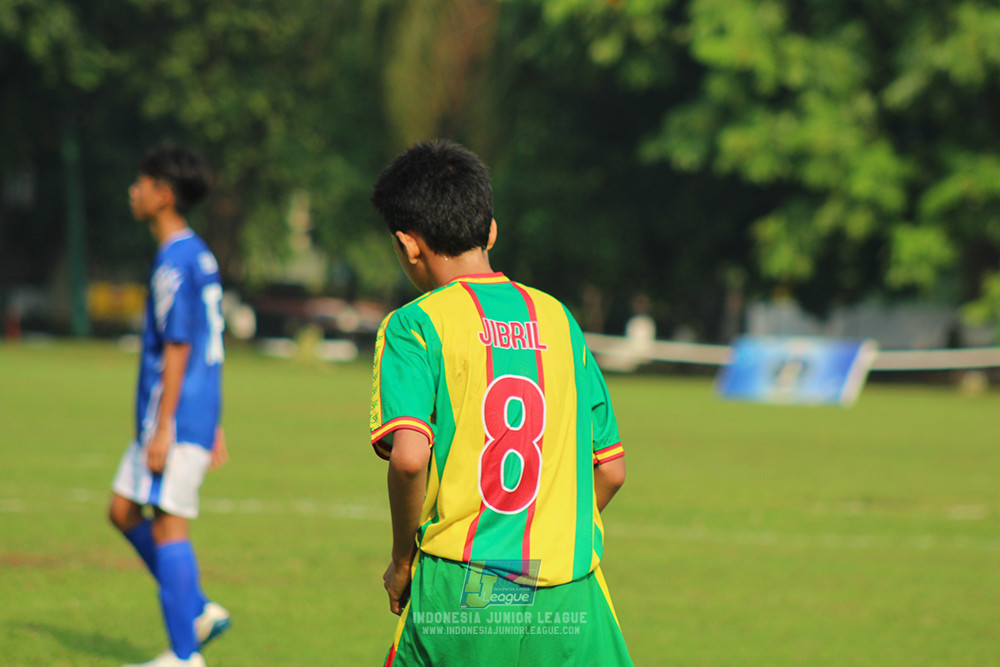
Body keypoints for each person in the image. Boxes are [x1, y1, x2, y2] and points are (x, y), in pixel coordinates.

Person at [369, 140, 633, 665]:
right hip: (570, 588)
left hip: (466, 589)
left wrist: (402, 559)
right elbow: (612, 469)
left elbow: (410, 456)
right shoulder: (559, 319)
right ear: (491, 230)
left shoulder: (415, 325)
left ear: (408, 245)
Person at [108, 142, 231, 667]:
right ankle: (196, 608)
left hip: (173, 416)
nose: (132, 192)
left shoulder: (176, 261)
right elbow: (210, 343)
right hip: (192, 413)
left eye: (140, 183)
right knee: (122, 509)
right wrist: (213, 422)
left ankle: (185, 656)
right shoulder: (197, 252)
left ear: (163, 195)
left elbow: (181, 346)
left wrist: (165, 428)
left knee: (168, 524)